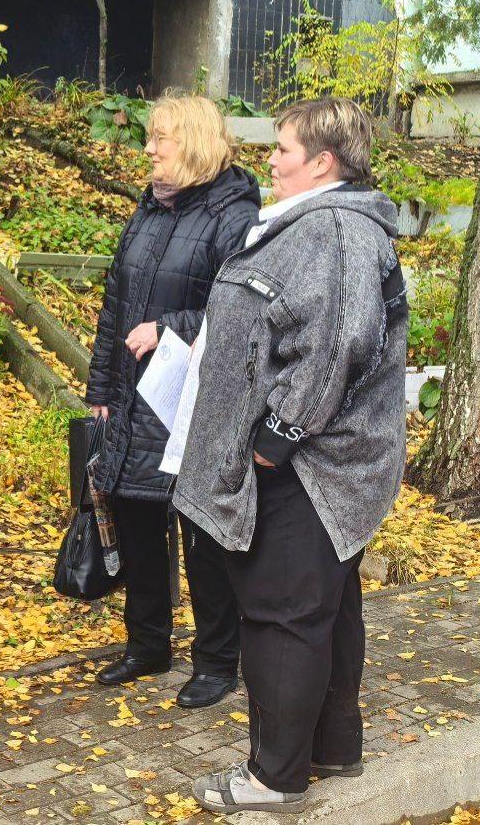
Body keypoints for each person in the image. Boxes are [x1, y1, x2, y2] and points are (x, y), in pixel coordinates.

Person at [174, 97, 408, 813]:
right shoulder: (319, 224)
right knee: (324, 612)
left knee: (282, 617)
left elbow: (338, 343)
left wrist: (276, 440)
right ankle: (333, 750)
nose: (269, 161)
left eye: (282, 150)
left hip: (312, 468)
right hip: (329, 465)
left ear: (323, 162)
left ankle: (274, 777)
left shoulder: (333, 229)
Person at [86, 94, 259, 708]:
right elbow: (115, 304)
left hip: (196, 396)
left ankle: (216, 660)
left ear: (192, 143)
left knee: (201, 532)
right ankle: (147, 644)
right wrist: (101, 391)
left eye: (160, 138)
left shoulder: (235, 217)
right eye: (150, 138)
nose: (149, 149)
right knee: (134, 519)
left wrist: (171, 327)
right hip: (136, 395)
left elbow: (241, 310)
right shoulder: (149, 210)